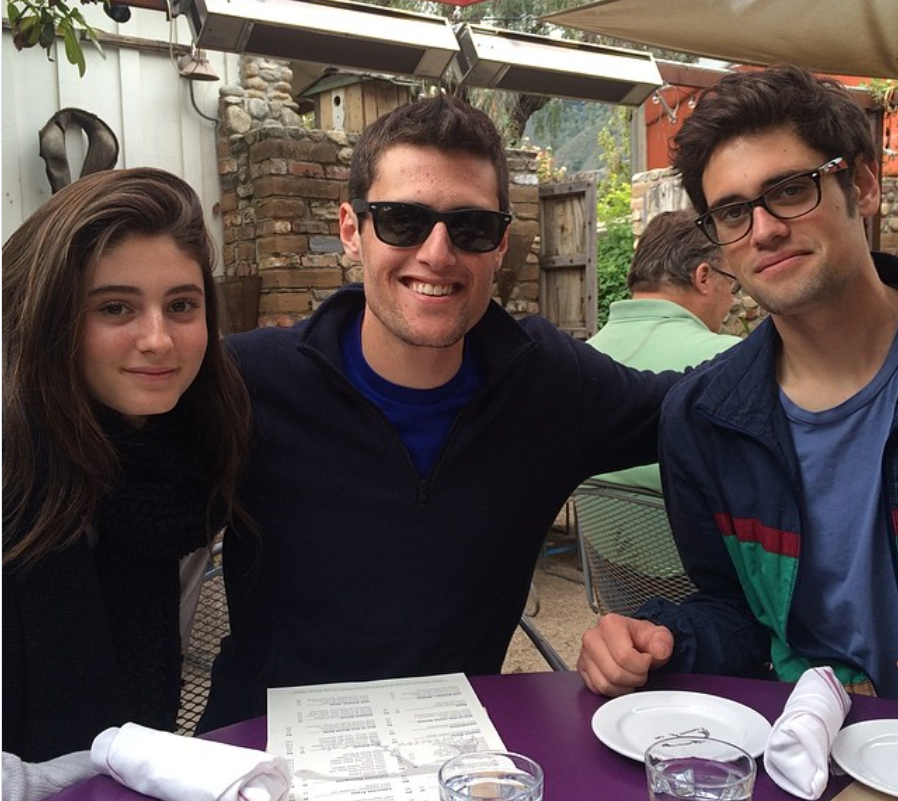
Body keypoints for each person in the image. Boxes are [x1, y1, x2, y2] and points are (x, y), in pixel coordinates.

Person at [198, 94, 680, 731]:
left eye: (471, 227)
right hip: (259, 753)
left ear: (500, 245)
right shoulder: (246, 382)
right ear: (352, 230)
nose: (437, 252)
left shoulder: (549, 382)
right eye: (402, 221)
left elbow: (703, 404)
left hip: (458, 754)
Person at [577, 63, 898, 700]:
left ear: (860, 186)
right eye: (731, 213)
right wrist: (657, 638)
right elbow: (738, 615)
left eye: (790, 190)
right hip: (812, 747)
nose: (765, 229)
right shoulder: (703, 417)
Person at [2, 168, 252, 797]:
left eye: (181, 305)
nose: (157, 338)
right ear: (48, 317)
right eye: (115, 307)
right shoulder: (17, 474)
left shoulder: (184, 465)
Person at [588, 208, 741, 493]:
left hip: (602, 537)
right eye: (733, 283)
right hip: (695, 538)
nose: (733, 300)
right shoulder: (732, 361)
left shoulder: (584, 358)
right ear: (704, 277)